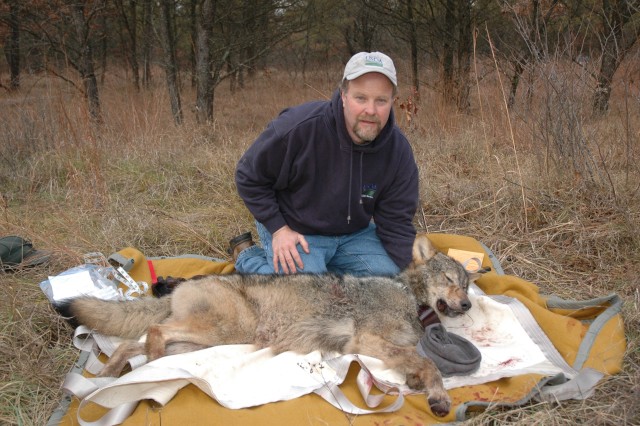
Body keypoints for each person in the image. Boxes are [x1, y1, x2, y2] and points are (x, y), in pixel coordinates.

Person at [230, 51, 419, 276]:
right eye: (361, 98)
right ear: (343, 96)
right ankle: (247, 257)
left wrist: (420, 272)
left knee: (392, 281)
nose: (371, 110)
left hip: (353, 236)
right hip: (294, 228)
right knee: (309, 298)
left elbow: (396, 221)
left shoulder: (397, 151)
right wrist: (278, 229)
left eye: (381, 100)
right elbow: (248, 176)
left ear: (392, 102)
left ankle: (325, 273)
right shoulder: (298, 128)